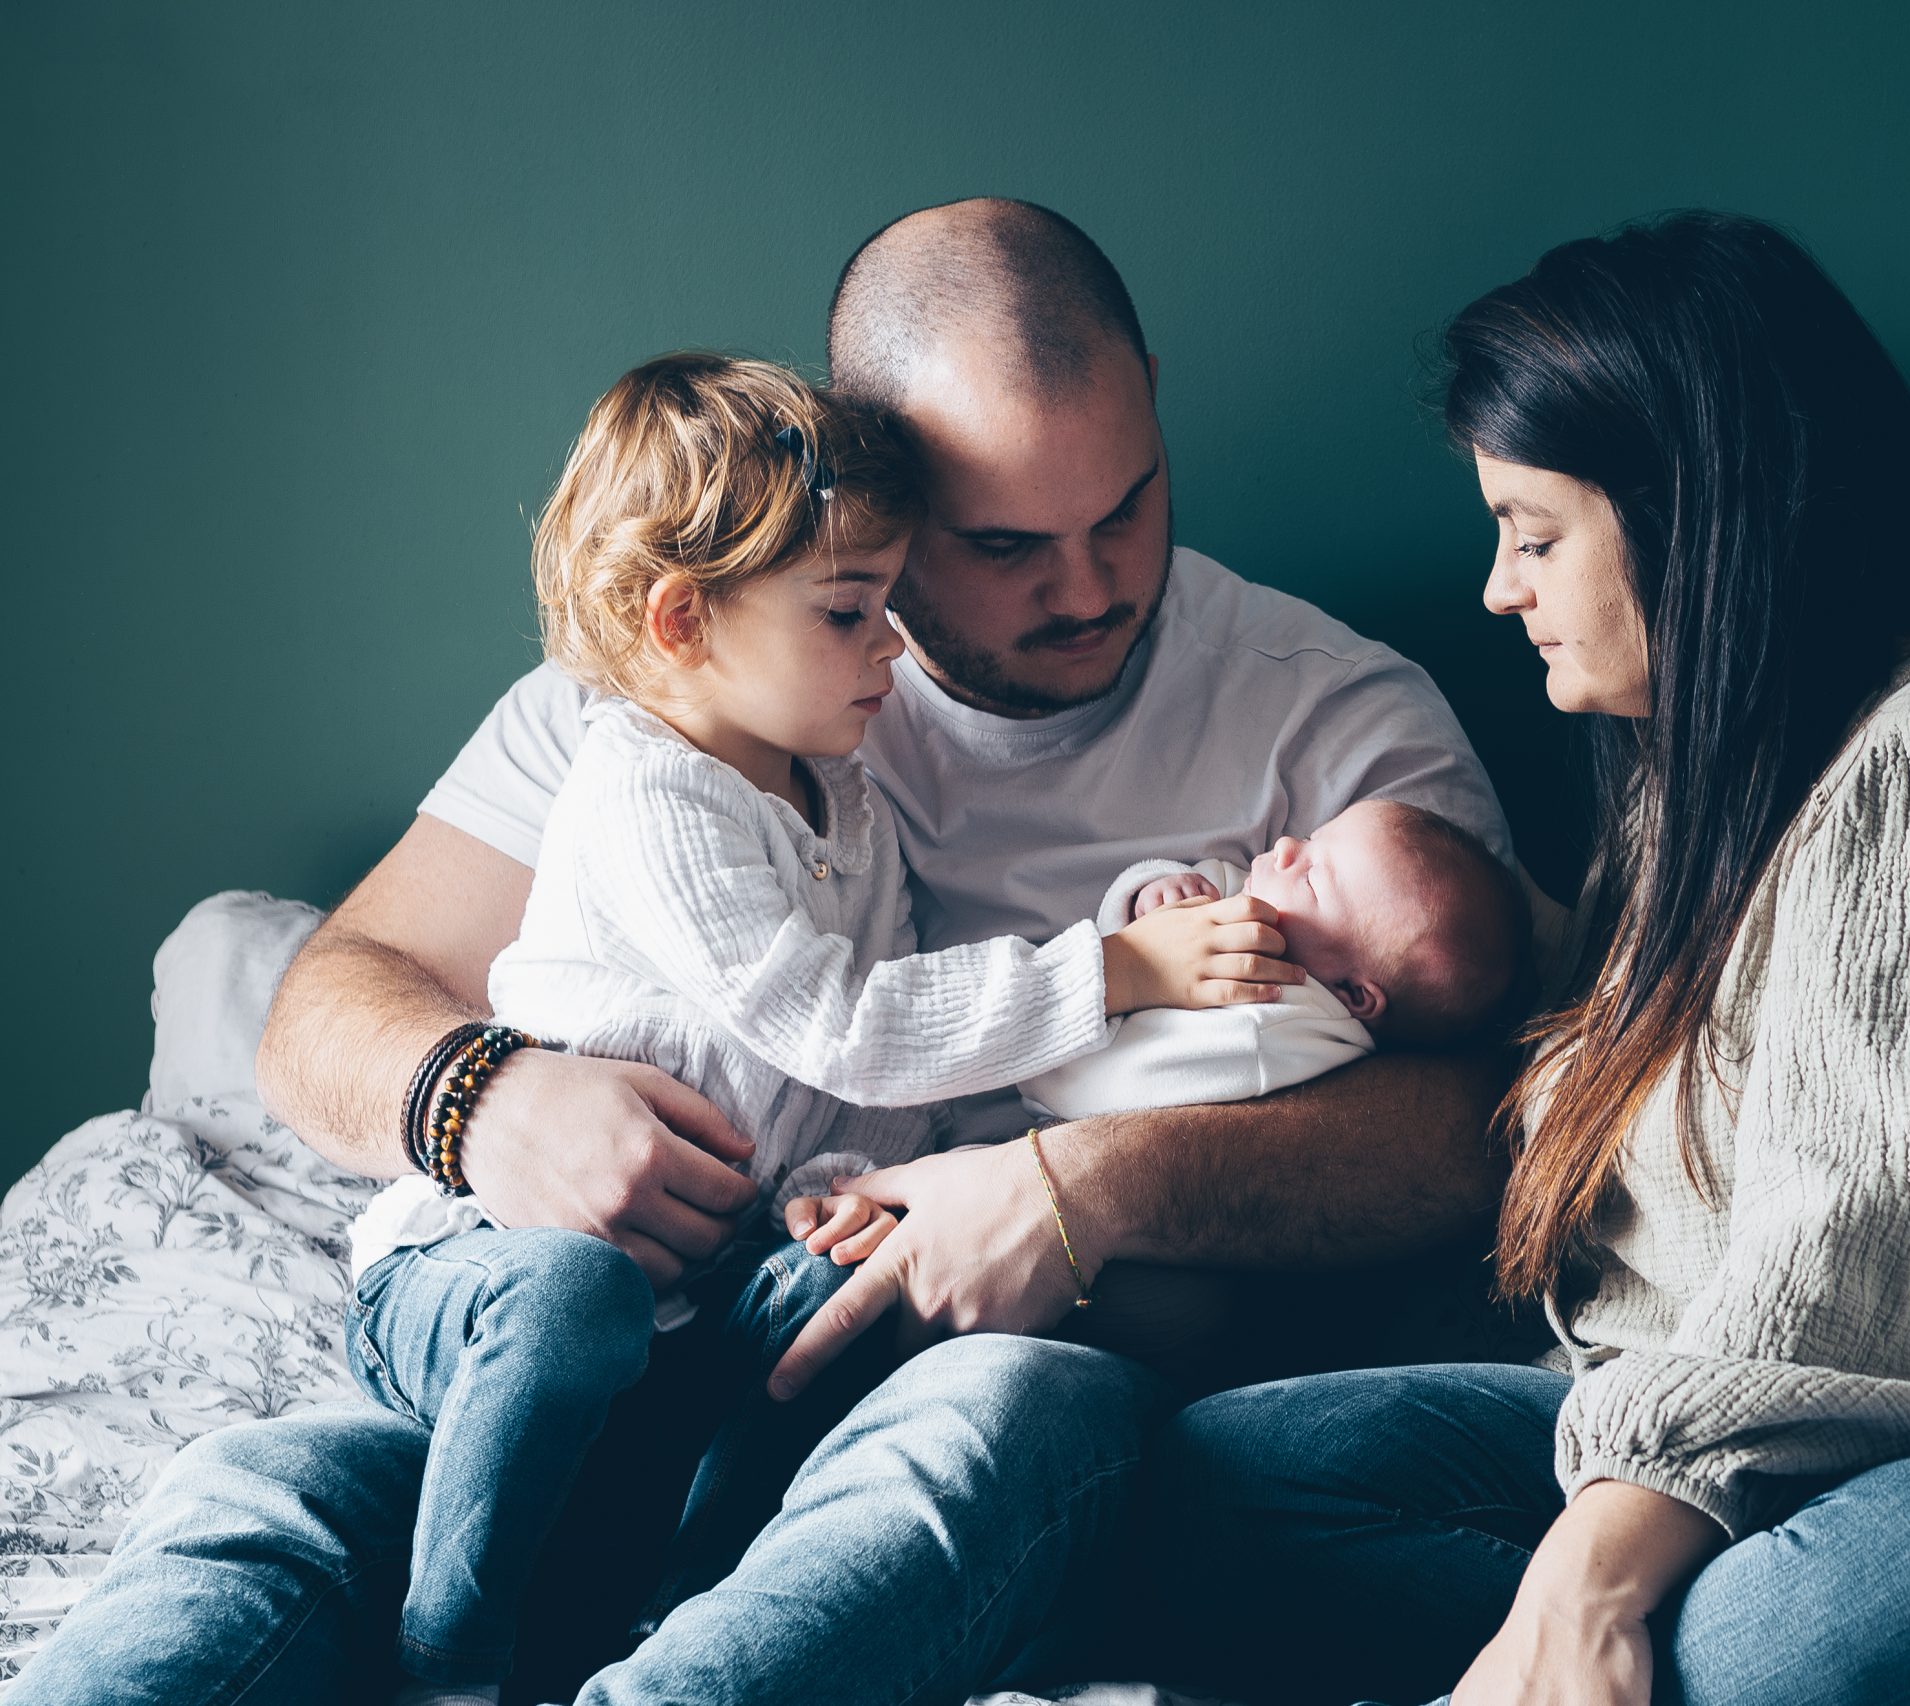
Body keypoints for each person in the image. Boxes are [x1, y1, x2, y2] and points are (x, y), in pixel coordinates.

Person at [11, 198, 1523, 1704]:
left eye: (1127, 503)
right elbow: (321, 1005)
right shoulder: (669, 695)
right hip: (589, 1328)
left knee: (998, 1426)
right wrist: (486, 1097)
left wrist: (1077, 1188)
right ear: (869, 494)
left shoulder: (1333, 721)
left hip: (925, 1362)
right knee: (268, 1489)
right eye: (1003, 543)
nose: (1089, 587)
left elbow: (1495, 1129)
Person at [1149, 211, 1910, 1706]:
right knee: (1227, 1475)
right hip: (1742, 1467)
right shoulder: (1690, 806)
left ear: (1691, 513)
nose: (1497, 588)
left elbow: (1858, 1258)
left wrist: (1589, 1575)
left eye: (1534, 535)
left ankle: (1635, 1641)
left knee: (1791, 1633)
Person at [335, 352, 1303, 1706]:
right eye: (851, 614)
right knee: (575, 1295)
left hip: (697, 1277)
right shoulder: (648, 794)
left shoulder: (839, 798)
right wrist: (1114, 970)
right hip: (485, 1269)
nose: (893, 651)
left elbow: (873, 1074)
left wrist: (859, 1191)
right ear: (683, 623)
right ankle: (452, 1650)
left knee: (858, 1303)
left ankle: (663, 1617)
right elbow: (838, 1027)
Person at [1022, 799, 1531, 1120]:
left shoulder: (1266, 1031)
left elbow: (1078, 1080)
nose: (1286, 847)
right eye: (1312, 839)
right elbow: (1213, 883)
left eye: (1311, 877)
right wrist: (1151, 893)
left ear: (1353, 993)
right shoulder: (1274, 923)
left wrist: (1134, 966)